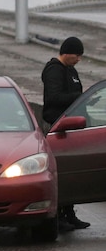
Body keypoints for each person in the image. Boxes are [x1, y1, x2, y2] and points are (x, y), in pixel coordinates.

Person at [42, 36, 90, 231]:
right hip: (57, 127)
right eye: (77, 55)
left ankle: (69, 213)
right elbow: (54, 98)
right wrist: (78, 97)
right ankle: (59, 215)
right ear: (67, 53)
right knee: (60, 172)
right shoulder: (54, 70)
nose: (79, 59)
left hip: (72, 126)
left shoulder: (71, 71)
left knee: (70, 173)